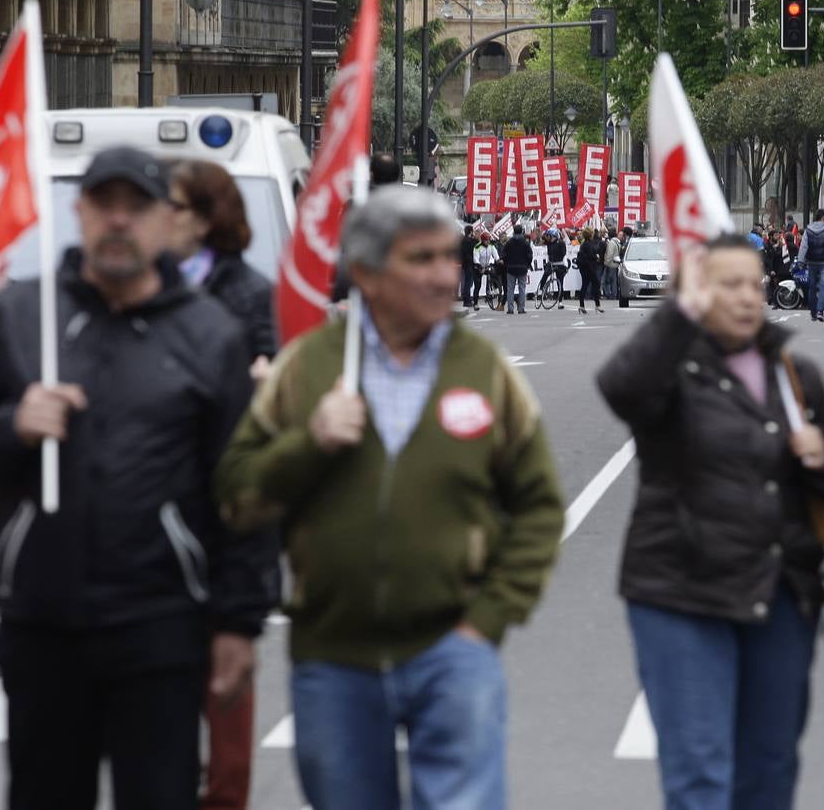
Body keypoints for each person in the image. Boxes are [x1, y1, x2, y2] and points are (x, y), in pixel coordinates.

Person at [0, 146, 279, 810]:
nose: (119, 221)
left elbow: (243, 490)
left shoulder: (209, 334)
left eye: (138, 206)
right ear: (79, 212)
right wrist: (12, 424)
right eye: (104, 204)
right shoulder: (21, 315)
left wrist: (240, 622)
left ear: (162, 220)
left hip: (161, 627)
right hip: (43, 624)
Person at [213, 185, 565, 810]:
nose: (443, 275)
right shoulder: (308, 366)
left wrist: (488, 619)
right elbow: (237, 494)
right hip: (333, 657)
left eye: (447, 257)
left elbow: (539, 505)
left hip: (453, 653)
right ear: (367, 275)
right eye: (420, 259)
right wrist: (310, 443)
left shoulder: (484, 368)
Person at [597, 234, 824, 809]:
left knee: (769, 771)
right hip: (681, 593)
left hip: (780, 596)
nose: (744, 297)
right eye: (726, 284)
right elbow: (621, 388)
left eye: (752, 284)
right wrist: (678, 312)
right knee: (699, 776)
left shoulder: (793, 374)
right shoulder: (670, 371)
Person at [165, 160, 279, 810]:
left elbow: (273, 391)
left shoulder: (247, 292)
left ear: (208, 219)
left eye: (173, 206)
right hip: (146, 557)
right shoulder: (132, 290)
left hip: (220, 531)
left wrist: (263, 386)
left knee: (226, 763)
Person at [169, 161, 276, 367]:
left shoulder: (253, 295)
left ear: (205, 221)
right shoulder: (145, 282)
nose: (161, 214)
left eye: (175, 207)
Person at [797, 210, 824, 322]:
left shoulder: (808, 231)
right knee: (823, 286)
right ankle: (820, 311)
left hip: (811, 262)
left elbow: (803, 247)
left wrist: (801, 261)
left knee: (812, 287)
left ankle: (813, 312)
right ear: (823, 218)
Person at [502, 223, 533, 316]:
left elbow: (504, 254)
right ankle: (521, 308)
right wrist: (527, 264)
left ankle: (510, 309)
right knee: (522, 288)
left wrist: (507, 264)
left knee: (510, 289)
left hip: (511, 268)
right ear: (522, 231)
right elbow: (530, 255)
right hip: (522, 267)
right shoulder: (525, 242)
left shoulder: (509, 242)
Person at [576, 227, 604, 315]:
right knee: (596, 284)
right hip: (590, 267)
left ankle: (582, 305)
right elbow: (592, 255)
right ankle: (597, 305)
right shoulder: (589, 244)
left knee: (584, 285)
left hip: (584, 267)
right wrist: (597, 257)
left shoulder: (583, 244)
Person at [540, 227, 569, 309]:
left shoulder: (561, 243)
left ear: (553, 236)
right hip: (551, 263)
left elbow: (563, 253)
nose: (547, 237)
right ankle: (541, 288)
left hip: (559, 264)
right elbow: (542, 237)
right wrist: (546, 232)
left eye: (549, 235)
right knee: (545, 274)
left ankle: (560, 301)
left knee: (560, 282)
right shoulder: (548, 243)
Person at [472, 230, 499, 311]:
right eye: (486, 240)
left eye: (488, 240)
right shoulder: (477, 247)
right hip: (478, 266)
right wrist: (479, 267)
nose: (488, 242)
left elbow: (495, 256)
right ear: (483, 240)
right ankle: (476, 303)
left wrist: (497, 260)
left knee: (494, 273)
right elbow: (475, 258)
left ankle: (494, 288)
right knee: (478, 285)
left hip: (487, 265)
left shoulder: (491, 246)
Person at [459, 223, 478, 309]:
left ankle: (467, 299)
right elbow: (468, 253)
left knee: (468, 282)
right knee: (468, 283)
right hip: (469, 264)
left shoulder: (464, 240)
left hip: (466, 264)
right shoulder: (467, 241)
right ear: (471, 231)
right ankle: (467, 300)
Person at [602, 227, 622, 300]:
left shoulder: (611, 243)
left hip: (610, 264)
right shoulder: (617, 242)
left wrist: (606, 262)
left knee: (607, 281)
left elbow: (610, 254)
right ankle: (614, 294)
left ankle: (609, 294)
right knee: (614, 281)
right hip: (615, 263)